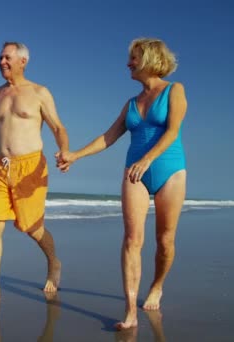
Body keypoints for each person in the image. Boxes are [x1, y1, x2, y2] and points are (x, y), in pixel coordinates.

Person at [57, 37, 187, 329]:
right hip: (134, 172)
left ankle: (157, 285)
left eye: (133, 58)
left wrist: (148, 159)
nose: (128, 63)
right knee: (132, 240)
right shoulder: (131, 103)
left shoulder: (175, 90)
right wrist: (75, 155)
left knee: (164, 241)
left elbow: (173, 131)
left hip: (170, 170)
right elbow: (109, 136)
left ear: (151, 60)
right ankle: (130, 311)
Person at [0, 42, 70, 304]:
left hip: (30, 167)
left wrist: (64, 151)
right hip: (1, 167)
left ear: (23, 61)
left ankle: (53, 262)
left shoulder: (39, 93)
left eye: (7, 57)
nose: (2, 61)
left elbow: (58, 127)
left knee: (32, 227)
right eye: (0, 57)